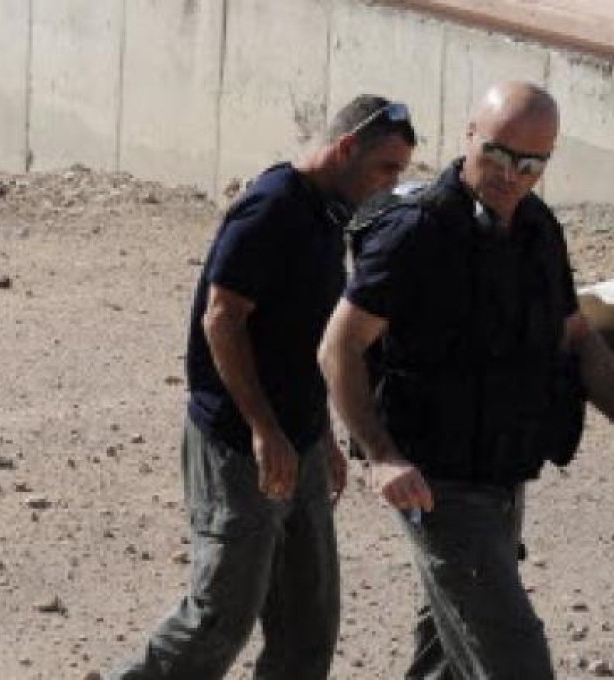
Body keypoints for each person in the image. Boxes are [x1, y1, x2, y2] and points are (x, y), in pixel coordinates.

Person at [318, 81, 614, 679]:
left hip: (503, 477)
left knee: (449, 658)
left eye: (530, 164)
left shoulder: (537, 231)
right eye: (499, 154)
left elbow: (577, 337)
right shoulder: (415, 234)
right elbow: (339, 347)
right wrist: (382, 455)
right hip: (435, 485)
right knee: (516, 664)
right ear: (469, 138)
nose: (511, 175)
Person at [108, 95, 416, 680]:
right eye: (386, 168)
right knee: (219, 617)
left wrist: (320, 433)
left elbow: (305, 339)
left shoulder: (331, 214)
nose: (390, 185)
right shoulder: (271, 208)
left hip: (295, 439)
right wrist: (263, 428)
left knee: (308, 623)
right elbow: (221, 319)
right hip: (238, 443)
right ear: (346, 147)